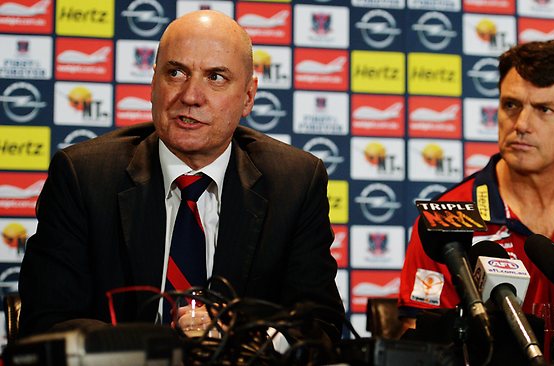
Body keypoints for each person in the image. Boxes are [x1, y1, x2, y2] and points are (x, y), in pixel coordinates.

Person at [18, 10, 344, 342]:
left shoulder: (294, 182)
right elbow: (46, 322)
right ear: (152, 84)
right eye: (175, 72)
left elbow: (321, 326)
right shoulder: (84, 176)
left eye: (216, 77)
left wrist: (237, 335)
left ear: (248, 97)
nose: (190, 96)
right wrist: (156, 349)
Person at [398, 40, 554, 334]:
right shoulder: (445, 222)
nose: (521, 124)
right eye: (511, 105)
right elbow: (422, 342)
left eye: (544, 109)